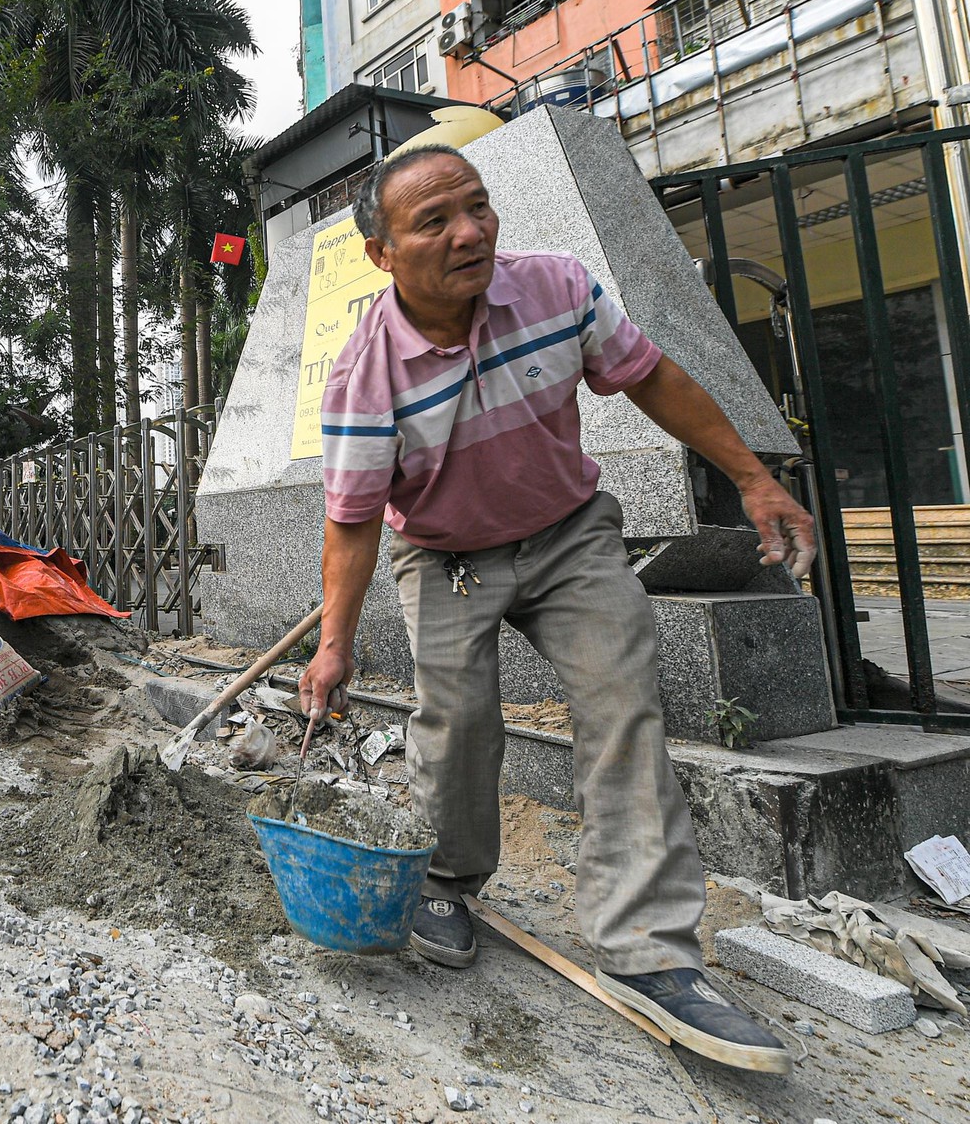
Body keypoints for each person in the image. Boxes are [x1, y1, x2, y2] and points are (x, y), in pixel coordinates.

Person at [300, 144, 815, 1075]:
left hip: (570, 532)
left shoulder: (557, 290)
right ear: (382, 255)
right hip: (447, 552)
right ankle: (449, 882)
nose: (470, 232)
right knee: (456, 718)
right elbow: (353, 523)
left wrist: (752, 477)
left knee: (623, 706)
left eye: (478, 207)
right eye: (434, 222)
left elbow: (651, 375)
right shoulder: (363, 379)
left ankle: (652, 951)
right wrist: (333, 645)